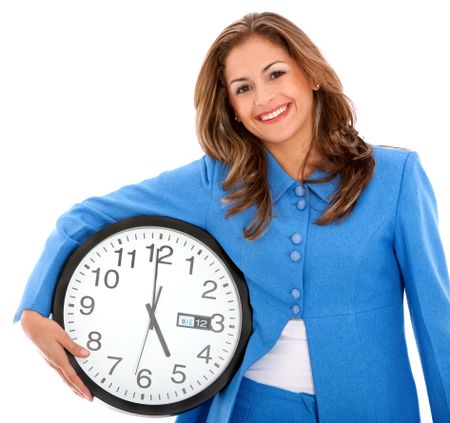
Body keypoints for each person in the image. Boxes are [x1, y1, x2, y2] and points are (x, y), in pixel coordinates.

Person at [15, 11, 450, 423]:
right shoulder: (215, 182)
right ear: (232, 108)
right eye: (243, 88)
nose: (264, 98)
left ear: (311, 74)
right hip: (251, 407)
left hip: (373, 406)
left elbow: (436, 322)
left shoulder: (395, 178)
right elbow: (83, 218)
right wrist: (34, 311)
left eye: (276, 74)